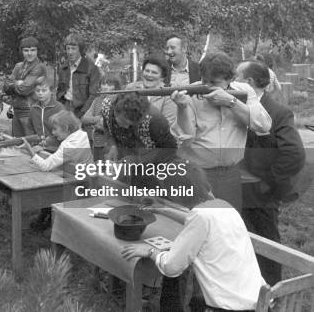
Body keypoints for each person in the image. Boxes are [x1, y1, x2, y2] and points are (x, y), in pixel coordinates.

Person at [121, 168, 266, 311]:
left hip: (230, 307)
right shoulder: (225, 207)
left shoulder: (201, 217)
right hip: (259, 301)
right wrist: (162, 209)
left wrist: (150, 251)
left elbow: (171, 266)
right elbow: (195, 219)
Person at [171, 52, 271, 212]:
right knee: (195, 218)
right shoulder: (192, 92)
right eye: (205, 81)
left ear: (230, 79)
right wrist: (182, 107)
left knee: (228, 223)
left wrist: (231, 102)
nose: (208, 86)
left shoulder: (244, 91)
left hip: (230, 174)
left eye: (214, 83)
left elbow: (263, 125)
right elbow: (187, 136)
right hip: (197, 173)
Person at [237, 60, 305, 285]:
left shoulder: (278, 112)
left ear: (248, 82)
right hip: (241, 188)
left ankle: (273, 293)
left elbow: (294, 155)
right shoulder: (239, 108)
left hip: (262, 192)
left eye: (236, 78)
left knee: (267, 245)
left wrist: (267, 181)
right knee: (244, 242)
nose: (231, 82)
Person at [21, 110, 92, 231]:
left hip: (77, 184)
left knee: (45, 182)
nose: (53, 133)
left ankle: (47, 217)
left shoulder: (69, 146)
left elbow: (45, 166)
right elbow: (58, 145)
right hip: (85, 178)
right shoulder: (81, 134)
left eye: (55, 129)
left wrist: (30, 150)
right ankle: (46, 215)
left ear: (66, 128)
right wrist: (43, 147)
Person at [101, 93, 177, 180]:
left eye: (131, 124)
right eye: (124, 121)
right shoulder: (106, 105)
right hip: (123, 162)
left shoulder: (155, 120)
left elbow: (170, 151)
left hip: (149, 169)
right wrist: (112, 145)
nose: (126, 127)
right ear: (115, 110)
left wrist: (136, 161)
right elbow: (106, 126)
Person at [125, 54, 179, 135]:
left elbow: (166, 126)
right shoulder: (130, 88)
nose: (149, 75)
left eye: (154, 72)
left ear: (162, 77)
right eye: (147, 71)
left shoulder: (168, 95)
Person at [4, 36, 47, 137]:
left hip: (30, 111)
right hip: (16, 110)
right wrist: (17, 83)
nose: (29, 53)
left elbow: (24, 89)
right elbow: (5, 87)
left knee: (31, 144)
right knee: (17, 144)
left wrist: (14, 83)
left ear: (37, 51)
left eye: (33, 50)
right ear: (21, 51)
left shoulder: (39, 67)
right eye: (26, 50)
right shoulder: (18, 66)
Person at [57, 33, 101, 118]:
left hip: (83, 110)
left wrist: (81, 113)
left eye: (73, 49)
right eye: (68, 48)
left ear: (80, 50)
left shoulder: (91, 68)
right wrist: (60, 107)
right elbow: (59, 91)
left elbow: (93, 95)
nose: (70, 52)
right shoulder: (63, 68)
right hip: (65, 108)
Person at [81, 74, 121, 161]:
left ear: (116, 87)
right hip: (96, 142)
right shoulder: (97, 100)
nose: (105, 87)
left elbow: (112, 125)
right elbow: (84, 119)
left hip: (111, 144)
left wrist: (98, 122)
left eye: (109, 84)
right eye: (103, 83)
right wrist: (98, 119)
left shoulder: (118, 101)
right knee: (97, 168)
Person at [28, 77, 65, 152]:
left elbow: (63, 133)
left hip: (57, 149)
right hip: (38, 147)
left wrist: (46, 145)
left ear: (51, 91)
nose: (40, 93)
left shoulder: (59, 108)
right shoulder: (33, 108)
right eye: (38, 90)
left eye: (44, 90)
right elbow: (30, 129)